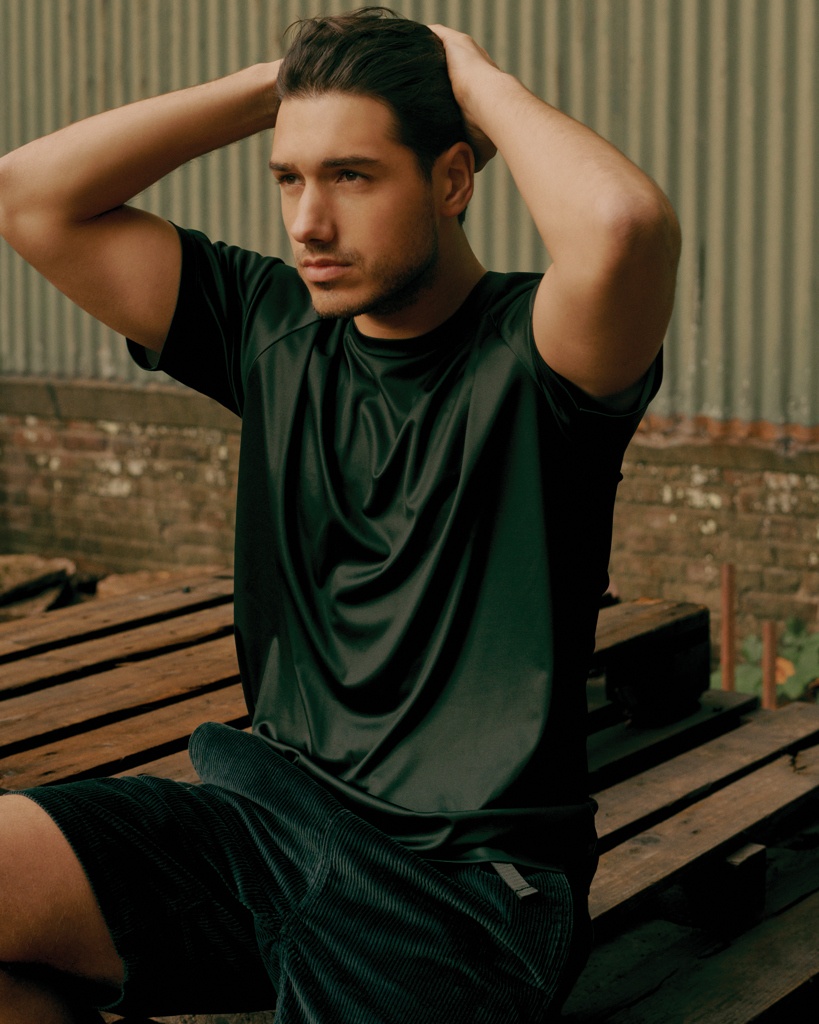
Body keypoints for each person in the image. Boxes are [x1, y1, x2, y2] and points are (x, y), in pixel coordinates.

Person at [0, 8, 680, 1023]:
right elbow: (29, 196)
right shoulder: (269, 327)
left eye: (352, 176)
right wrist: (278, 82)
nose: (308, 222)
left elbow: (624, 223)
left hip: (458, 890)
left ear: (453, 179)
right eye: (290, 178)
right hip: (263, 824)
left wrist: (470, 73)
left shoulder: (543, 355)